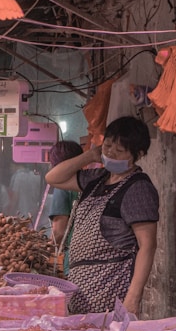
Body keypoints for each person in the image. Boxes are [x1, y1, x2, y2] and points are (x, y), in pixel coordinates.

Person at [45, 116, 158, 316]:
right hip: (80, 287)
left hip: (111, 287)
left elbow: (147, 245)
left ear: (138, 154)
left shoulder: (138, 188)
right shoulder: (96, 179)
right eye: (107, 146)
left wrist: (133, 297)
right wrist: (89, 156)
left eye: (120, 150)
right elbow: (53, 178)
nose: (111, 153)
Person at [47, 141, 85, 246]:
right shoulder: (88, 181)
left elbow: (59, 232)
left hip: (74, 251)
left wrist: (46, 247)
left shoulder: (63, 186)